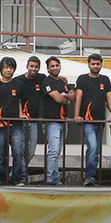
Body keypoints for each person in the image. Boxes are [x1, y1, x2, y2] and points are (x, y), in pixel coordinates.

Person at [73, 54, 111, 187]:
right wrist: (76, 115)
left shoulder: (105, 79)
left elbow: (109, 98)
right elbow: (78, 97)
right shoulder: (82, 79)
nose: (95, 66)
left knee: (96, 150)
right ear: (88, 64)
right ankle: (89, 176)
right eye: (93, 64)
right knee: (93, 147)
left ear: (101, 64)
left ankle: (92, 177)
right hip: (87, 121)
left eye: (98, 64)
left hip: (100, 122)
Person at [0, 57, 27, 186]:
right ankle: (4, 179)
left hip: (16, 125)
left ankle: (16, 179)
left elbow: (20, 101)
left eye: (11, 67)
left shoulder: (18, 84)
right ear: (1, 69)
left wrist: (21, 114)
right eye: (6, 67)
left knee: (18, 152)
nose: (8, 70)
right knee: (1, 155)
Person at [41, 56, 74, 186]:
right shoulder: (46, 82)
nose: (55, 68)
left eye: (57, 65)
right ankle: (49, 179)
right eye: (52, 66)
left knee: (57, 152)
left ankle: (55, 178)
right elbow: (59, 99)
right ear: (48, 68)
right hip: (52, 121)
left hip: (63, 121)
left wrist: (66, 96)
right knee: (53, 151)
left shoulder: (62, 81)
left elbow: (73, 96)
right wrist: (66, 97)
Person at [16, 56, 46, 172]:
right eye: (31, 66)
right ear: (27, 66)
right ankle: (21, 175)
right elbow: (17, 99)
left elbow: (52, 81)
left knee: (31, 150)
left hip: (33, 121)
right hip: (20, 121)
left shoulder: (42, 78)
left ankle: (15, 172)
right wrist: (20, 114)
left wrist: (61, 78)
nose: (33, 69)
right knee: (20, 150)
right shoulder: (18, 80)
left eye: (36, 67)